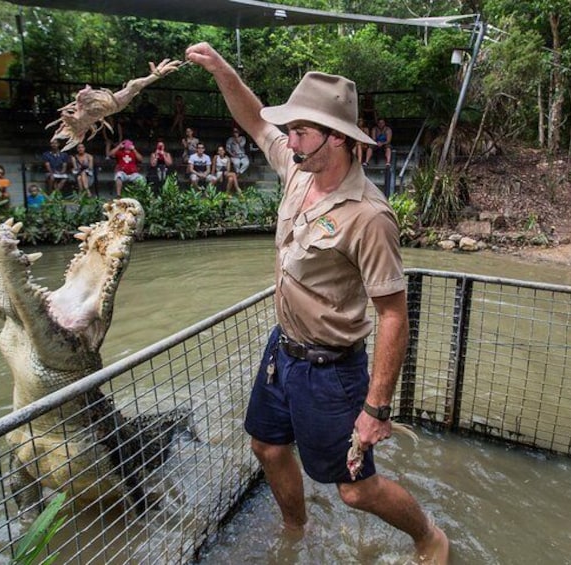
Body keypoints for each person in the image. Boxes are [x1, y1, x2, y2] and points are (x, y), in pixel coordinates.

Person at [186, 42, 450, 564]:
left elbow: (393, 313)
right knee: (266, 445)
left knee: (354, 487)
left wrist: (376, 409)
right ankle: (295, 527)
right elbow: (255, 120)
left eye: (301, 130)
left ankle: (429, 537)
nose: (290, 138)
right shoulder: (298, 167)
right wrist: (222, 70)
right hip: (281, 350)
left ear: (337, 139)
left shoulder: (369, 217)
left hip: (332, 369)